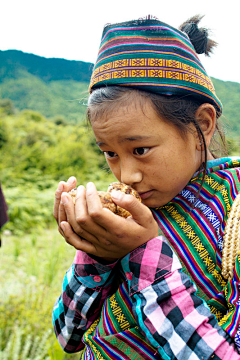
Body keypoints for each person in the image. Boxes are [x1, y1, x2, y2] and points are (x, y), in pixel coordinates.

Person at [52, 15, 240, 359]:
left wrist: (145, 254)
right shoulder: (125, 210)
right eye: (110, 153)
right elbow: (68, 336)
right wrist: (97, 254)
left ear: (203, 124)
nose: (126, 177)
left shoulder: (233, 215)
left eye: (140, 150)